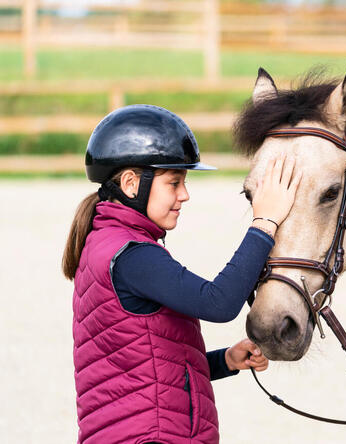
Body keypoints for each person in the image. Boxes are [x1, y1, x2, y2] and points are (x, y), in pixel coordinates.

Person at [61, 104, 301, 444]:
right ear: (131, 183)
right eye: (174, 182)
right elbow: (218, 303)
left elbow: (145, 362)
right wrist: (265, 223)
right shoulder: (132, 256)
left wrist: (225, 361)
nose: (184, 195)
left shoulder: (106, 243)